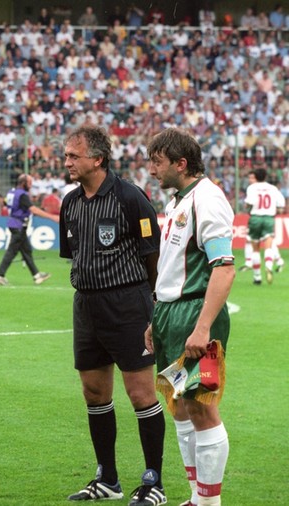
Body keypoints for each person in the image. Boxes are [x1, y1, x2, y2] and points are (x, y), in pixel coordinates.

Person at [59, 125, 166, 505]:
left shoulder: (129, 198)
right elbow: (75, 256)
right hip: (86, 306)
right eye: (67, 155)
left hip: (128, 305)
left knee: (140, 393)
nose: (67, 161)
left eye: (74, 155)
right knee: (94, 393)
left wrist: (154, 309)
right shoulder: (70, 203)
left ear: (97, 159)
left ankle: (154, 481)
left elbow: (152, 257)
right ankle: (108, 478)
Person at [144, 128, 235, 506]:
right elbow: (173, 267)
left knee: (200, 405)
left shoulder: (207, 200)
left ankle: (210, 503)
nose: (151, 170)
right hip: (169, 316)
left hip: (196, 316)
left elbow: (224, 268)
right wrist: (156, 318)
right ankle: (198, 497)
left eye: (158, 162)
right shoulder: (178, 201)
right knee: (178, 403)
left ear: (181, 164)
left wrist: (202, 328)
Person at [0, 174, 57, 286]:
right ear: (23, 183)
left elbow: (5, 203)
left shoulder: (12, 192)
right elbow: (34, 210)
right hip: (19, 226)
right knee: (11, 252)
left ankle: (37, 275)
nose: (31, 186)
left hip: (14, 224)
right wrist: (53, 217)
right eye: (30, 183)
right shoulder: (22, 195)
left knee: (26, 251)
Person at [244, 168, 285, 285]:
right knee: (268, 246)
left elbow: (248, 203)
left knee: (255, 248)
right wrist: (275, 210)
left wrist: (248, 208)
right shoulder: (273, 188)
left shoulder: (252, 188)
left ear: (255, 177)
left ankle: (257, 277)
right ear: (266, 177)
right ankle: (268, 265)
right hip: (269, 218)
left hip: (255, 218)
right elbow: (281, 204)